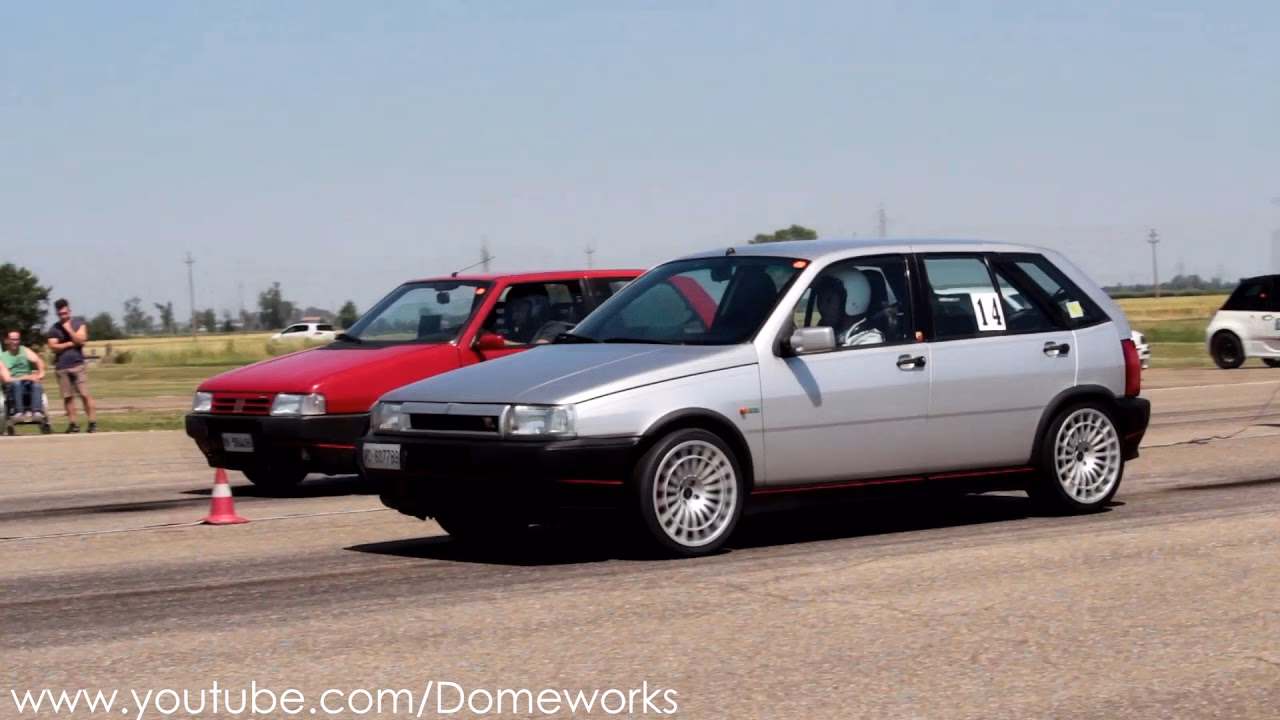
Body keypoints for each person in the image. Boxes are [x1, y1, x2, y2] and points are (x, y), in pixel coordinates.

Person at [47, 298, 97, 433]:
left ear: (69, 310)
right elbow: (52, 346)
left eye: (64, 313)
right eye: (60, 314)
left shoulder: (78, 324)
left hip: (77, 365)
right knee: (67, 397)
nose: (63, 316)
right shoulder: (54, 328)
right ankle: (73, 423)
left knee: (84, 394)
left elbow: (82, 340)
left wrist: (69, 330)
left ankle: (92, 422)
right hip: (62, 367)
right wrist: (70, 344)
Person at [813, 273, 884, 347]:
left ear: (851, 301)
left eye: (829, 301)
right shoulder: (833, 334)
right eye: (820, 300)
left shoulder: (869, 340)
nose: (821, 306)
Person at [2, 330, 48, 421]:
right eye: (12, 339)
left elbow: (39, 361)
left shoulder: (24, 350)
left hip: (28, 383)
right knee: (17, 383)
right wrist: (28, 377)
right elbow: (7, 379)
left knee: (36, 384)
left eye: (17, 339)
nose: (15, 342)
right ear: (7, 340)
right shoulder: (2, 357)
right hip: (12, 386)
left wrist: (41, 373)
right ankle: (19, 412)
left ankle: (37, 412)